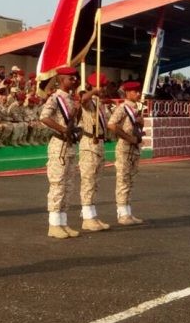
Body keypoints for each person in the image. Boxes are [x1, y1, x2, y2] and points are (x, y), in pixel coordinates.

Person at [40, 66, 81, 239]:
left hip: (70, 146)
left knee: (68, 185)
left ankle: (63, 222)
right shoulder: (56, 98)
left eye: (75, 78)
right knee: (57, 184)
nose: (75, 81)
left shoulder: (71, 99)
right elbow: (44, 117)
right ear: (61, 80)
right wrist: (63, 129)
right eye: (70, 79)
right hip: (59, 145)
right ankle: (54, 224)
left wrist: (77, 112)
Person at [108, 81, 145, 226]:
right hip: (124, 148)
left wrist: (140, 124)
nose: (138, 94)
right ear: (128, 93)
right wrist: (128, 137)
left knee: (130, 182)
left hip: (134, 149)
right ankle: (122, 214)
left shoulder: (136, 108)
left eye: (138, 91)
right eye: (135, 91)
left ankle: (128, 212)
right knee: (123, 181)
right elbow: (111, 125)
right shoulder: (122, 107)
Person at [77, 72, 111, 231]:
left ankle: (92, 215)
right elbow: (83, 100)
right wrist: (93, 92)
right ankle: (87, 217)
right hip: (89, 143)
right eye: (101, 86)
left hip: (99, 144)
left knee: (95, 182)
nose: (103, 89)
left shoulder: (100, 103)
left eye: (104, 86)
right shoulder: (87, 98)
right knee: (88, 180)